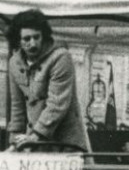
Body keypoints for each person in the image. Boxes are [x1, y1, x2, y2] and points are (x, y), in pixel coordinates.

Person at [5, 8, 91, 152]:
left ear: (43, 36)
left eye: (36, 37)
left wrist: (35, 137)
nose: (33, 44)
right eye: (26, 39)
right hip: (34, 144)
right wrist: (14, 143)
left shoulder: (61, 57)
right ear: (18, 41)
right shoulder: (14, 63)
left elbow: (57, 104)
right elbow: (17, 107)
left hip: (65, 145)